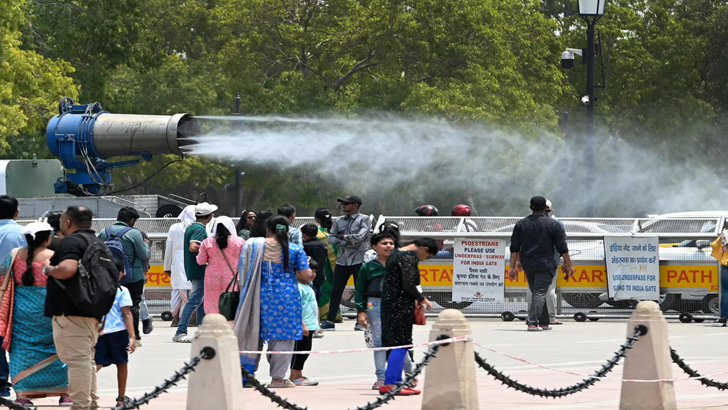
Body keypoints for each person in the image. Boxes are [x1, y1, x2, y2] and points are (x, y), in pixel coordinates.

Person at [233, 215, 313, 388]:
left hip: (258, 297)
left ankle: (245, 377)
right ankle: (277, 379)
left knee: (253, 334)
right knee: (283, 337)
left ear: (267, 228)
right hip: (287, 298)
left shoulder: (254, 245)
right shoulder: (294, 249)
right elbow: (306, 275)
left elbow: (243, 270)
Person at [0, 222, 70, 405]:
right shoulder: (55, 257)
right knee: (58, 347)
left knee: (22, 349)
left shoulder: (14, 256)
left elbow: (2, 279)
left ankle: (23, 396)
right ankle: (65, 393)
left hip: (21, 311)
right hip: (50, 309)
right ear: (48, 238)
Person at [44, 206, 107, 409]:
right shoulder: (97, 242)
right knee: (86, 360)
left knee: (77, 362)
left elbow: (68, 269)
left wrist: (50, 269)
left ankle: (80, 405)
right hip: (92, 311)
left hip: (71, 312)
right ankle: (91, 403)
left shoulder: (71, 241)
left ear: (68, 222)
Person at [356, 232, 414, 391]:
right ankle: (381, 378)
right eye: (384, 243)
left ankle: (409, 372)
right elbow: (360, 290)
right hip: (375, 305)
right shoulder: (368, 267)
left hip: (398, 305)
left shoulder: (401, 264)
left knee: (399, 342)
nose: (388, 246)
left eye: (391, 243)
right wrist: (361, 311)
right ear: (374, 247)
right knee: (379, 341)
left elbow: (411, 286)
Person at [380, 237, 437, 396]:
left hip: (389, 304)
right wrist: (421, 298)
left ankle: (396, 381)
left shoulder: (396, 253)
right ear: (424, 248)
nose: (424, 259)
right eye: (427, 256)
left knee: (394, 342)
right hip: (400, 305)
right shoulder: (408, 258)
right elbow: (409, 284)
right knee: (402, 343)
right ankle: (390, 383)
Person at [508, 196, 575, 331]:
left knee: (537, 292)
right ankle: (532, 322)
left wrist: (512, 266)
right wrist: (569, 264)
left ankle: (544, 322)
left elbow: (515, 247)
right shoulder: (553, 224)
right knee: (539, 292)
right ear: (546, 208)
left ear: (530, 207)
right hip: (546, 264)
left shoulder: (521, 224)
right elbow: (562, 246)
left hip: (528, 264)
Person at [98, 207, 150, 348]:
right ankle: (135, 337)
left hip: (109, 275)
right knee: (133, 305)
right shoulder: (134, 233)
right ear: (131, 220)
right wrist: (146, 245)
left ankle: (108, 333)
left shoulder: (104, 232)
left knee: (108, 304)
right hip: (133, 276)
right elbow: (143, 254)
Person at [321, 196, 372, 331]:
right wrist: (349, 240)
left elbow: (360, 237)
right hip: (342, 261)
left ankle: (360, 321)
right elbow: (331, 239)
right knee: (336, 291)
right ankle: (330, 320)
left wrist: (342, 237)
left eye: (346, 203)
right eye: (343, 203)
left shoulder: (365, 219)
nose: (343, 205)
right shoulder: (339, 221)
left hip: (358, 260)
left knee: (360, 291)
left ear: (356, 205)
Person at [173, 202, 217, 343]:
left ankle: (202, 330)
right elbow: (193, 246)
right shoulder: (199, 228)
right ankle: (181, 331)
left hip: (195, 269)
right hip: (200, 270)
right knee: (194, 301)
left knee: (201, 302)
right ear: (209, 216)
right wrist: (210, 248)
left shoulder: (193, 226)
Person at [95, 266, 136, 407]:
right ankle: (121, 398)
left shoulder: (97, 289)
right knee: (122, 363)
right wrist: (132, 336)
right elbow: (126, 313)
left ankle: (84, 390)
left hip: (100, 331)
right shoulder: (122, 291)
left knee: (96, 363)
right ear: (121, 274)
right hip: (118, 331)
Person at [0, 195, 26, 397]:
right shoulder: (23, 233)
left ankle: (1, 385)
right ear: (16, 212)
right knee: (19, 337)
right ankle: (23, 385)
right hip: (20, 289)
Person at [524, 199, 564, 326]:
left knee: (533, 291)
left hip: (530, 261)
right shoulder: (556, 223)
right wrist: (568, 261)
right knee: (549, 290)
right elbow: (562, 244)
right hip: (550, 262)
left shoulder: (526, 223)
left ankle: (533, 317)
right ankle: (549, 317)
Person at [196, 216, 245, 316]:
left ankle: (214, 326)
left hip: (212, 278)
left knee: (213, 304)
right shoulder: (239, 242)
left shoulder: (208, 242)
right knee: (231, 303)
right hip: (233, 277)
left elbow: (201, 261)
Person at [288, 260, 320, 386]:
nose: (313, 274)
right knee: (301, 351)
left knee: (305, 350)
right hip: (303, 325)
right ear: (297, 272)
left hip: (310, 325)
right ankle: (298, 376)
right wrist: (302, 325)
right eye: (310, 270)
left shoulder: (308, 286)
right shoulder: (296, 287)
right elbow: (295, 308)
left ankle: (293, 376)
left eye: (315, 271)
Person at [164, 206, 195, 327]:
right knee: (194, 290)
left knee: (177, 290)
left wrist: (167, 266)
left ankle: (175, 318)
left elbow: (169, 248)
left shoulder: (174, 228)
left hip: (177, 262)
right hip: (194, 261)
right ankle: (192, 318)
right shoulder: (199, 228)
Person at [314, 208, 342, 325]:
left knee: (324, 288)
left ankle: (324, 314)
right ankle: (335, 313)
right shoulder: (334, 232)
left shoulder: (318, 233)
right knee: (332, 287)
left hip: (322, 264)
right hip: (337, 264)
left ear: (317, 219)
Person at [301, 224, 327, 299]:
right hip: (320, 277)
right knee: (317, 301)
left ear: (304, 235)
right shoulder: (323, 245)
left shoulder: (304, 246)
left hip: (308, 278)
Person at [710, 229, 728, 326]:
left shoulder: (725, 234)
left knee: (726, 292)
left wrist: (721, 238)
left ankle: (723, 319)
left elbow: (714, 245)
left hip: (726, 264)